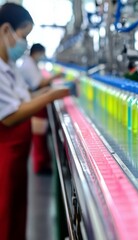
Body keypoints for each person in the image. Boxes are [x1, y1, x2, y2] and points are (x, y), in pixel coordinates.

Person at [0, 3, 69, 239]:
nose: (25, 44)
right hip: (4, 156)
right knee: (5, 214)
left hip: (18, 153)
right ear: (6, 29)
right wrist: (50, 94)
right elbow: (9, 116)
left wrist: (51, 90)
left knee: (17, 211)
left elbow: (24, 97)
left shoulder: (9, 66)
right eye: (24, 36)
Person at [20, 43, 63, 174]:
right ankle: (40, 164)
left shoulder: (31, 63)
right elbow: (38, 83)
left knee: (41, 134)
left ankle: (43, 162)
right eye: (42, 54)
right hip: (34, 101)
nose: (42, 57)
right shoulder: (28, 64)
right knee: (38, 134)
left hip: (36, 99)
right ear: (37, 52)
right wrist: (55, 77)